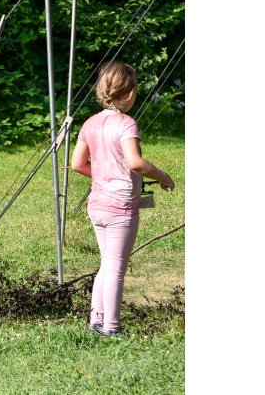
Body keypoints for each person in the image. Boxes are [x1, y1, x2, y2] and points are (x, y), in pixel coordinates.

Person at [70, 61, 175, 337]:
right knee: (116, 267)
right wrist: (163, 176)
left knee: (107, 263)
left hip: (97, 205)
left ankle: (97, 318)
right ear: (128, 93)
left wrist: (102, 173)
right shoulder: (126, 124)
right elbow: (135, 162)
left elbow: (77, 163)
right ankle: (112, 328)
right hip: (121, 207)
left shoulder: (90, 123)